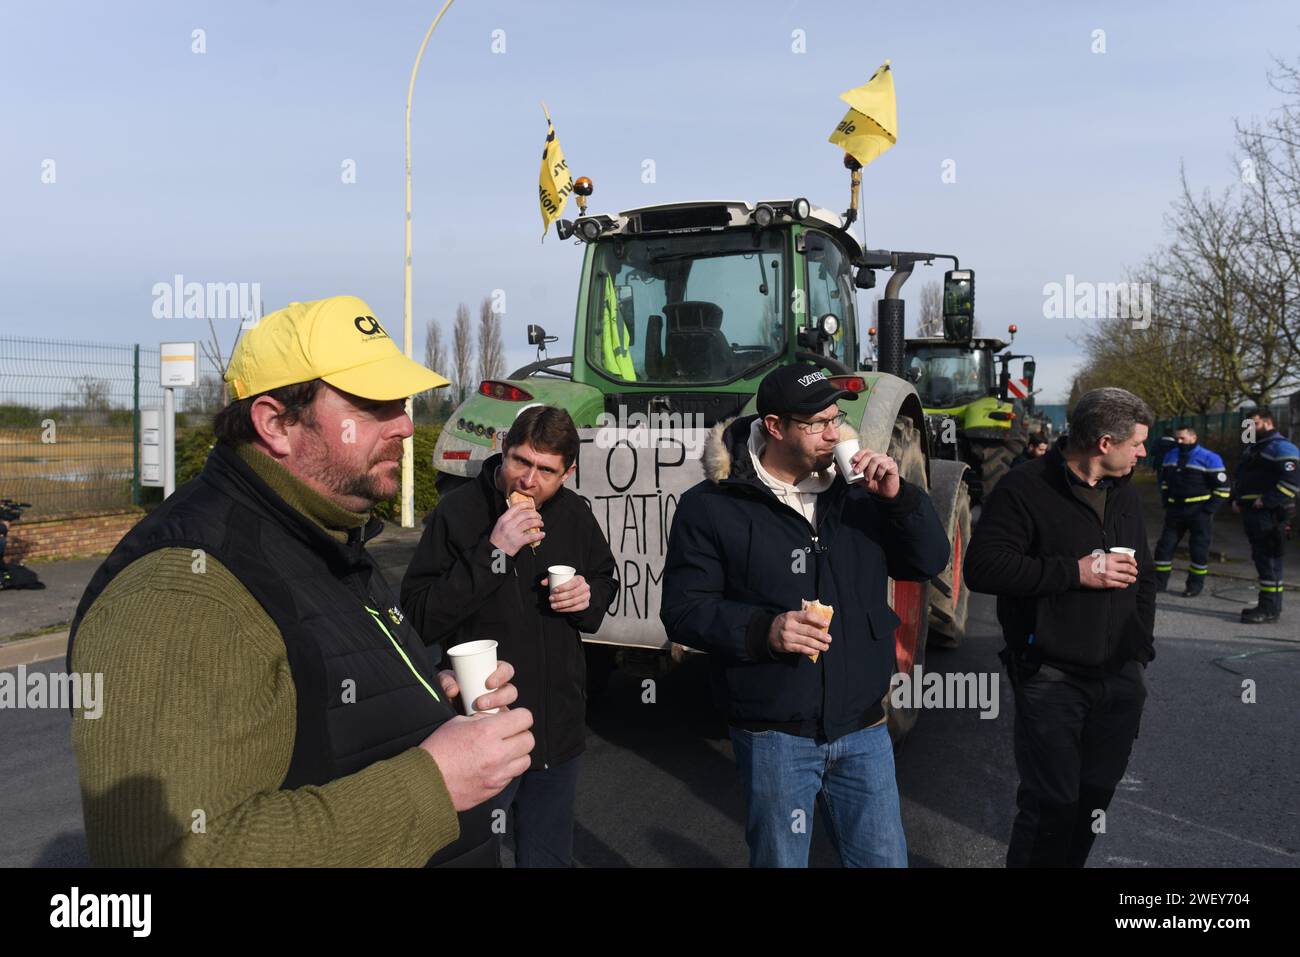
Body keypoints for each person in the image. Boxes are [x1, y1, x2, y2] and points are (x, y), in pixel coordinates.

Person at [67, 295, 535, 866]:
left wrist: (419, 702)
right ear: (275, 423)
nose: (406, 425)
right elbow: (168, 855)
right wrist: (433, 782)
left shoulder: (325, 533)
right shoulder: (180, 592)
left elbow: (320, 720)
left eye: (402, 402)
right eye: (372, 404)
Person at [660, 364, 949, 868]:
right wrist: (763, 631)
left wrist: (901, 500)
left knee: (883, 862)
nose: (835, 432)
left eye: (837, 418)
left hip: (863, 727)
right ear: (775, 427)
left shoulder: (862, 494)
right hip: (774, 733)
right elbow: (685, 610)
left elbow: (928, 563)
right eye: (818, 423)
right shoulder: (712, 506)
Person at [401, 405, 618, 867]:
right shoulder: (458, 513)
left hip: (556, 732)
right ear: (503, 450)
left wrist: (587, 598)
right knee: (470, 856)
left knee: (548, 858)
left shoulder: (574, 513)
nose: (528, 481)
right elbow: (417, 617)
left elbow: (604, 580)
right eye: (521, 461)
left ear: (568, 473)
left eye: (546, 470)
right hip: (480, 729)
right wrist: (494, 551)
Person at [964, 387, 1155, 868]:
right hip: (1051, 676)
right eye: (1137, 443)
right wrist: (1076, 572)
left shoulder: (1124, 490)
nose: (1144, 452)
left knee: (1093, 802)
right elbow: (983, 568)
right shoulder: (1025, 488)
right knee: (1052, 805)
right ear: (1105, 444)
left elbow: (1145, 576)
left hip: (1119, 678)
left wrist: (1139, 648)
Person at [1231, 409, 1299, 623]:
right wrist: (1238, 499)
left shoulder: (1281, 447)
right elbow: (1242, 475)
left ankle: (1269, 609)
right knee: (1263, 559)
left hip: (1269, 514)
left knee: (1269, 560)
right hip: (1254, 511)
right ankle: (1268, 606)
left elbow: (1292, 482)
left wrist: (1266, 501)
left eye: (1253, 424)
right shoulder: (1253, 447)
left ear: (1267, 422)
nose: (1248, 429)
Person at [1152, 425, 1230, 596]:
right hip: (1175, 510)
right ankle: (1159, 583)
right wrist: (1166, 501)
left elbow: (1223, 489)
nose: (1179, 442)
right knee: (1164, 547)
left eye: (1183, 439)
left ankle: (1194, 586)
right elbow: (1164, 482)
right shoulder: (1170, 456)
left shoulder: (1210, 458)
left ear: (1193, 438)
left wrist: (1208, 510)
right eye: (1177, 439)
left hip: (1199, 511)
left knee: (1199, 550)